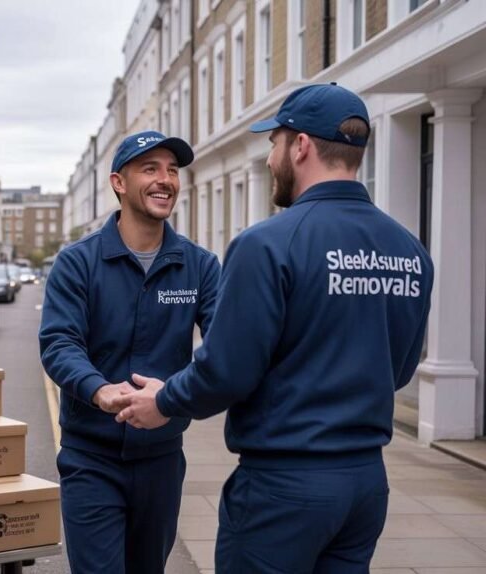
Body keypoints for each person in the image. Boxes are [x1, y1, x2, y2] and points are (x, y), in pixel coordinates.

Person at [112, 84, 434, 573]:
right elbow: (400, 368)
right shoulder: (410, 251)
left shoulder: (267, 244)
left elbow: (228, 369)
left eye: (274, 144)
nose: (269, 161)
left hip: (284, 486)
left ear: (300, 146)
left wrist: (163, 402)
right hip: (365, 485)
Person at [39, 131, 221, 573]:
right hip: (91, 458)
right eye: (151, 168)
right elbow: (59, 342)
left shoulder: (199, 265)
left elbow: (223, 349)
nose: (166, 180)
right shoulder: (77, 262)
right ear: (119, 182)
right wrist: (99, 391)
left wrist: (173, 397)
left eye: (173, 170)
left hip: (161, 458)